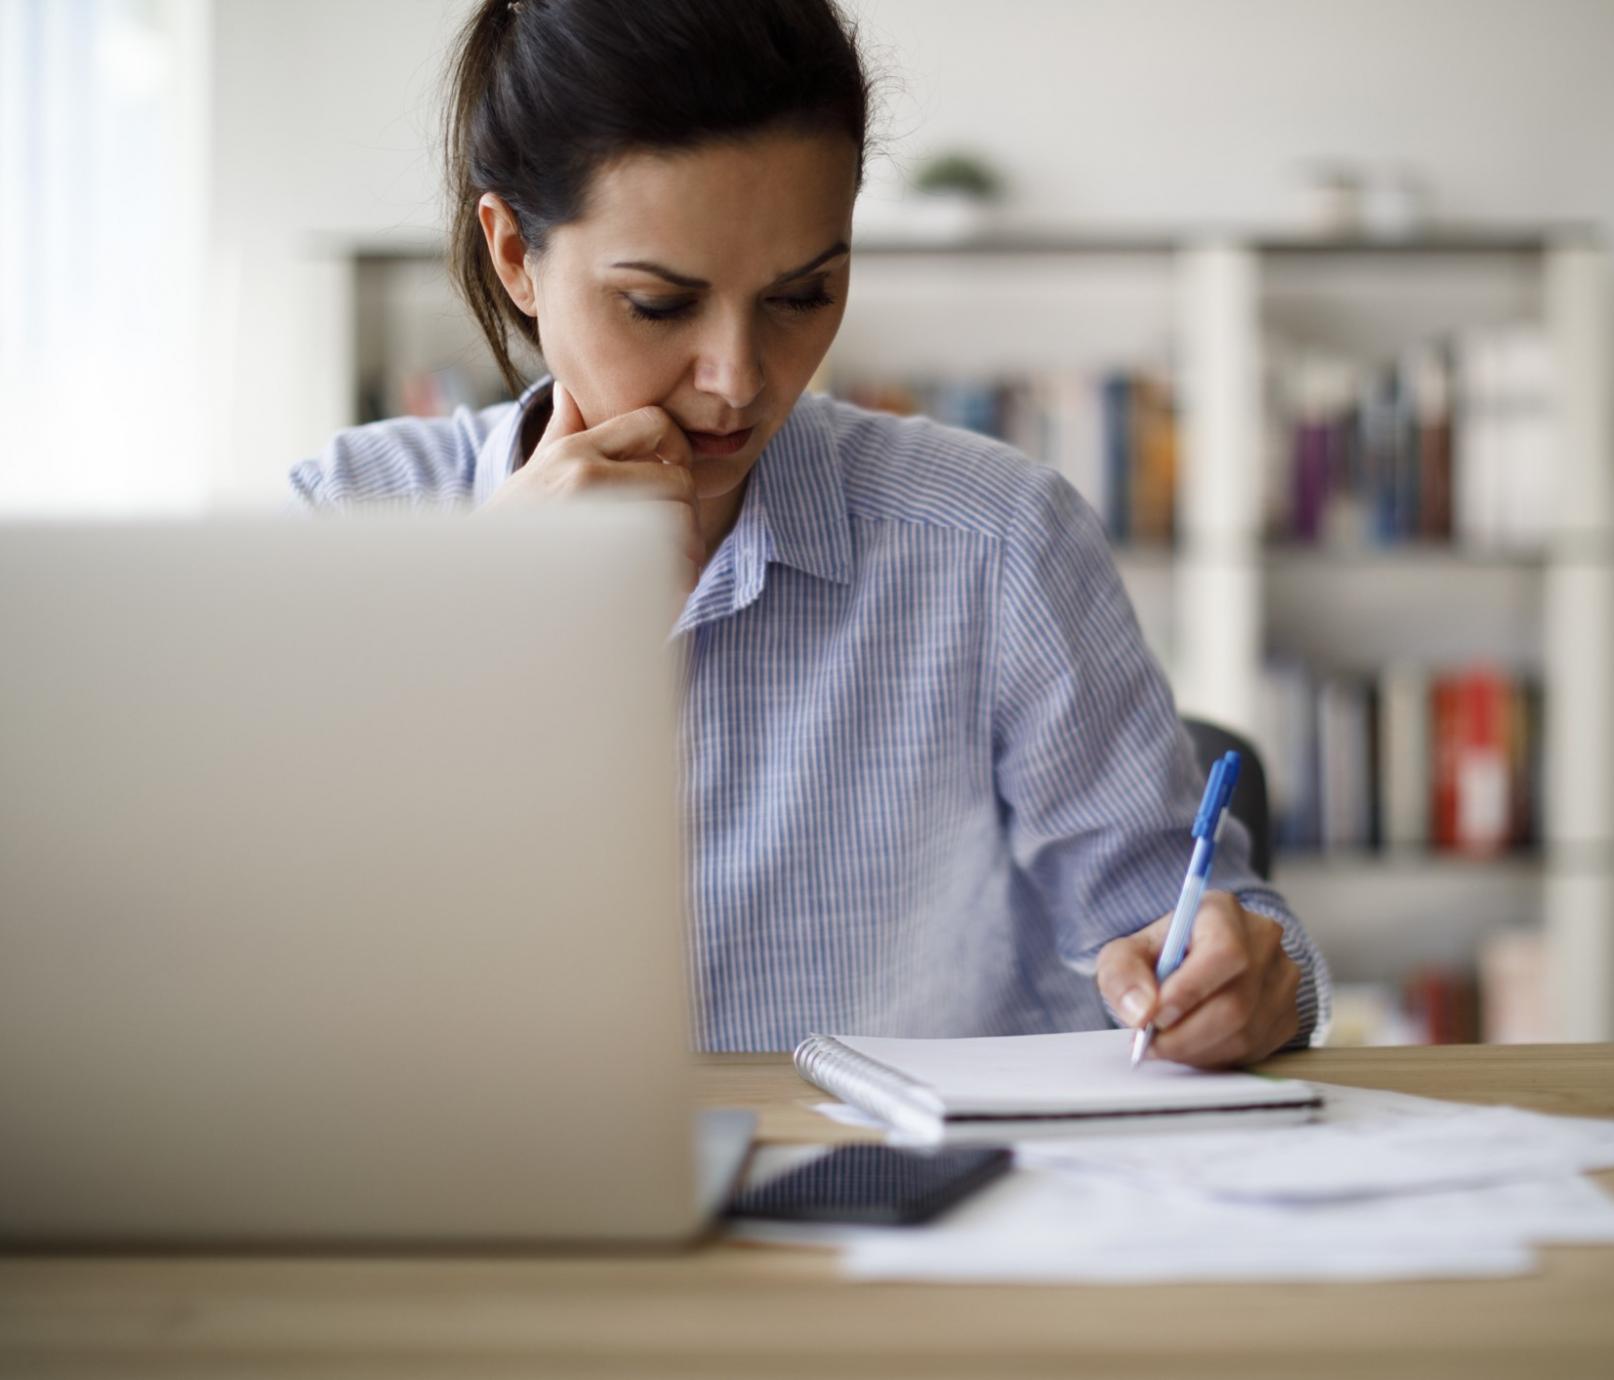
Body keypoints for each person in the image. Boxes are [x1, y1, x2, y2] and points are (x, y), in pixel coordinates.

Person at [291, 0, 1330, 1065]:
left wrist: (1245, 978)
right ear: (514, 254)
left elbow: (1209, 928)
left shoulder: (995, 542)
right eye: (657, 305)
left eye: (801, 295)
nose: (737, 381)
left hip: (918, 1207)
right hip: (490, 1208)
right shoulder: (349, 525)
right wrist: (480, 622)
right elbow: (271, 970)